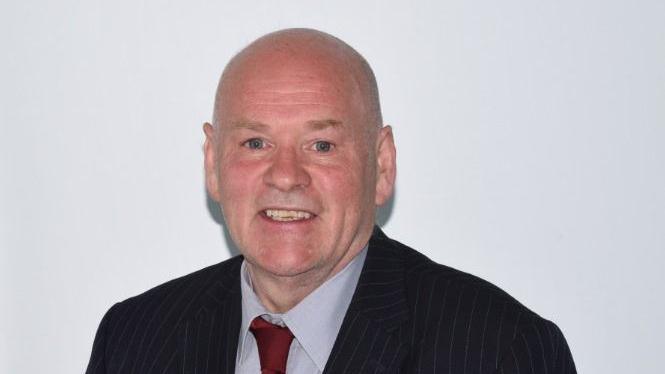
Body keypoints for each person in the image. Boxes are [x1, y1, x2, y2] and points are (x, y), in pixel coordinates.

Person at [86, 28, 576, 374]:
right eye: (255, 143)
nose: (285, 176)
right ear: (213, 163)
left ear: (381, 166)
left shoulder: (500, 352)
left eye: (321, 146)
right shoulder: (133, 340)